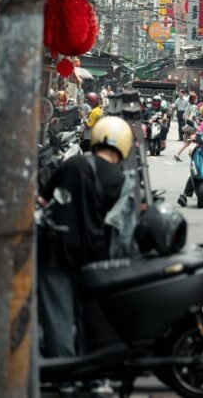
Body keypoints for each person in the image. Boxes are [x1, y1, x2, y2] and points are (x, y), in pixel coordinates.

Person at [38, 116, 134, 359]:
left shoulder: (73, 164)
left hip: (57, 250)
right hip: (94, 256)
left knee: (58, 314)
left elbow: (43, 200)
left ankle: (65, 370)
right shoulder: (122, 181)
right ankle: (88, 369)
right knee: (89, 314)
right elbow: (121, 229)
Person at [173, 93, 199, 162]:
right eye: (196, 98)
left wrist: (185, 127)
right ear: (194, 99)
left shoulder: (188, 107)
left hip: (187, 129)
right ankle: (192, 154)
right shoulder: (194, 107)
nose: (197, 100)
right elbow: (191, 118)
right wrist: (190, 124)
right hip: (192, 128)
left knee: (186, 144)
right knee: (198, 142)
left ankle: (177, 154)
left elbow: (184, 116)